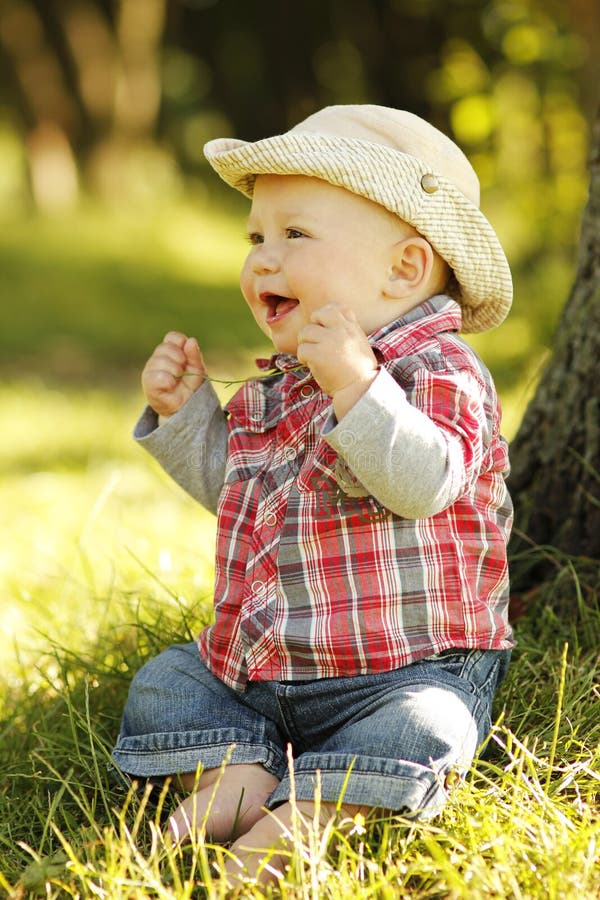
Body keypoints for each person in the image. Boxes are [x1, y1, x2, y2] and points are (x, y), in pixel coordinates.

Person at [112, 104, 514, 886]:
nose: (264, 259)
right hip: (263, 675)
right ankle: (231, 775)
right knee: (169, 681)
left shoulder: (440, 373)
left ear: (404, 268)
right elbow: (240, 496)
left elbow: (424, 484)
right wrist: (184, 414)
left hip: (403, 669)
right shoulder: (289, 380)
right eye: (255, 237)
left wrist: (358, 389)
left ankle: (311, 813)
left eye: (295, 236)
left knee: (431, 724)